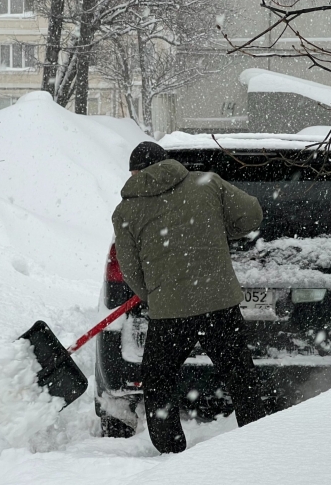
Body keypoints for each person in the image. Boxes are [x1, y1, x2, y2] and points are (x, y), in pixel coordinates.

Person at [112, 141, 266, 454]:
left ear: (135, 172)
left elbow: (130, 271)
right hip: (219, 303)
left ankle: (171, 452)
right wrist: (218, 230)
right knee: (241, 376)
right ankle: (259, 439)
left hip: (169, 313)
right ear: (166, 163)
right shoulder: (206, 183)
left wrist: (156, 297)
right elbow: (252, 215)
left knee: (158, 381)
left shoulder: (125, 211)